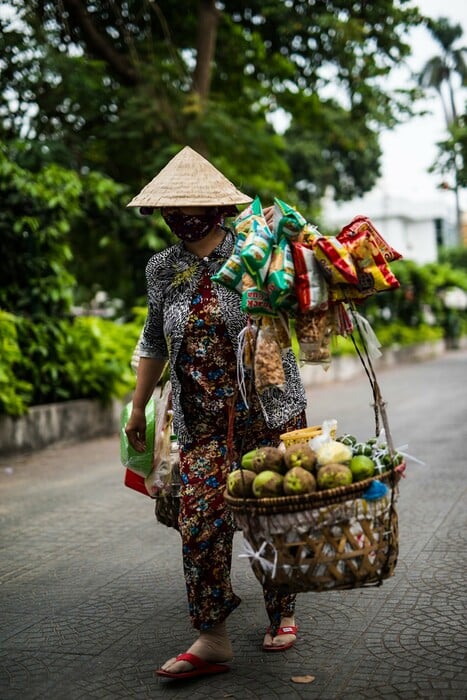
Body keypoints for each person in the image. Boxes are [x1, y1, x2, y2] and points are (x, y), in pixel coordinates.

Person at [125, 146, 308, 680]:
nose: (182, 217)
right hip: (200, 421)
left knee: (269, 519)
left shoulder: (257, 250)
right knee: (200, 523)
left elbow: (298, 305)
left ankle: (283, 609)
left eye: (192, 207)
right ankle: (212, 636)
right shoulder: (162, 267)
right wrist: (139, 405)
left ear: (219, 209)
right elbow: (154, 336)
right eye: (171, 209)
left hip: (267, 413)